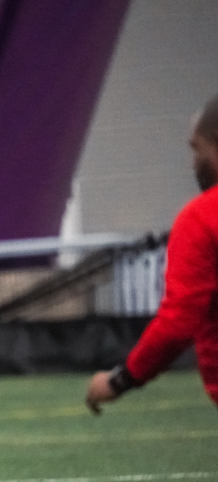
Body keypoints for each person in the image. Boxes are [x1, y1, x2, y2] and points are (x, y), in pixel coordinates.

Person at [86, 93, 218, 412]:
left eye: (196, 148)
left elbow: (177, 323)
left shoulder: (201, 217)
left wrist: (120, 380)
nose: (193, 164)